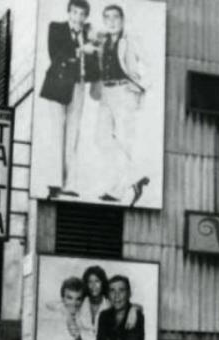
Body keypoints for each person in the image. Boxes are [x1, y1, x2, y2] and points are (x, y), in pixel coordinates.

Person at [41, 0, 99, 197]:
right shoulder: (56, 28)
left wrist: (95, 44)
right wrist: (81, 49)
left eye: (82, 14)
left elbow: (93, 65)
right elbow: (55, 55)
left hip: (78, 85)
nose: (78, 18)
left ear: (86, 16)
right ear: (68, 12)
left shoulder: (88, 35)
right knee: (57, 132)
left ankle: (70, 184)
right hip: (58, 84)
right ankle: (54, 182)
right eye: (74, 12)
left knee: (73, 134)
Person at [94, 4, 150, 206]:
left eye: (115, 17)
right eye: (107, 18)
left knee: (125, 141)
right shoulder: (102, 41)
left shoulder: (131, 39)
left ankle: (117, 190)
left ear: (123, 19)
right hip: (106, 92)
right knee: (101, 138)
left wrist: (139, 86)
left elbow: (150, 64)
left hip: (124, 91)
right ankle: (136, 176)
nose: (111, 21)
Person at [94, 275, 145, 340]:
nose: (116, 296)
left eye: (121, 290)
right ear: (108, 295)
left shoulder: (136, 314)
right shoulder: (104, 316)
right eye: (112, 291)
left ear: (129, 294)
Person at [58, 276, 94, 340]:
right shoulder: (57, 317)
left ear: (82, 300)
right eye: (69, 298)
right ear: (62, 299)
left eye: (78, 299)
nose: (74, 303)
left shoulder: (84, 318)